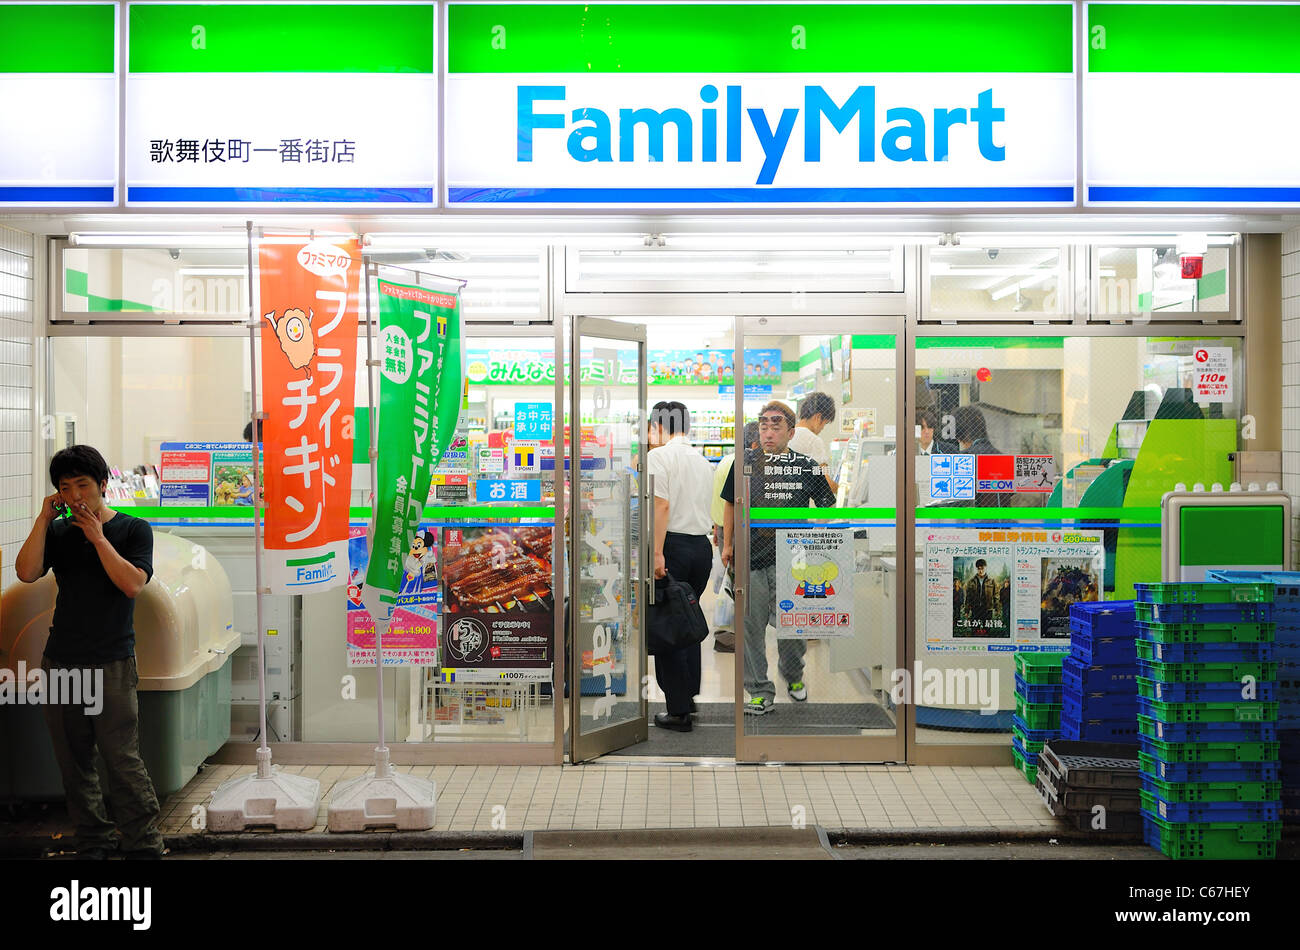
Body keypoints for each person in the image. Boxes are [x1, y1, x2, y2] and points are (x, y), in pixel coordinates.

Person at [13, 445, 163, 859]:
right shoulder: (58, 532)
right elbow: (26, 572)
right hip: (61, 660)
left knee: (123, 762)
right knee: (73, 763)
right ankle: (93, 843)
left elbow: (132, 583)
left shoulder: (134, 529)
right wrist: (45, 518)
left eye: (83, 484)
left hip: (112, 662)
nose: (76, 495)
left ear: (102, 484)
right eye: (66, 487)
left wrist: (98, 538)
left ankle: (143, 845)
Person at [721, 401, 837, 715]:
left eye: (776, 426)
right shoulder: (745, 462)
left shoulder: (804, 465)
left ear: (790, 430)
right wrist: (727, 545)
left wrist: (818, 541)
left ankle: (794, 674)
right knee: (750, 629)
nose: (769, 432)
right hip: (751, 559)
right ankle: (759, 690)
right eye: (763, 426)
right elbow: (731, 504)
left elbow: (827, 503)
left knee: (793, 629)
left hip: (793, 560)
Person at [645, 401, 717, 732]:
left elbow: (661, 505)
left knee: (668, 627)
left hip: (671, 546)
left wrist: (656, 553)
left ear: (659, 426)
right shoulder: (701, 460)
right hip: (701, 549)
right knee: (687, 619)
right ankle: (688, 698)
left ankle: (677, 712)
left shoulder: (658, 457)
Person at [709, 421, 760, 654]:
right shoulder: (740, 464)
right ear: (753, 443)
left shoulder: (725, 461)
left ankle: (730, 633)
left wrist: (719, 530)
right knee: (737, 584)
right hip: (734, 530)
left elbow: (718, 499)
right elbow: (732, 502)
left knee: (729, 584)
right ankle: (731, 635)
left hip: (723, 526)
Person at [788, 391, 838, 493]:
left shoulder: (788, 433)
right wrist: (844, 489)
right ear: (818, 417)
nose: (823, 428)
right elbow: (826, 484)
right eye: (825, 423)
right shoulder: (813, 440)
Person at [964, 558, 998, 636]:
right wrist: (967, 610)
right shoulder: (971, 581)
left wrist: (997, 608)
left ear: (985, 568)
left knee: (987, 630)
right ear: (977, 569)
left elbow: (996, 595)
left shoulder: (992, 581)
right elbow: (968, 597)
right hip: (975, 609)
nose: (980, 571)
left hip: (987, 609)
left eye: (982, 568)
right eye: (978, 569)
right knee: (974, 629)